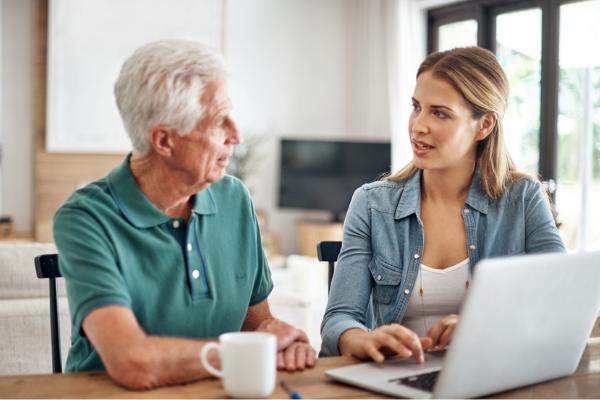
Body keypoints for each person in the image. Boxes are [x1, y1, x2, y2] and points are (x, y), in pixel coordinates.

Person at [53, 40, 315, 390]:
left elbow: (256, 324)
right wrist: (247, 352)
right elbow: (133, 362)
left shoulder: (234, 198)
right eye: (218, 121)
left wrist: (279, 338)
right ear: (164, 141)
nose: (235, 134)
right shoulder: (85, 218)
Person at [320, 46, 566, 363]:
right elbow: (339, 319)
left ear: (485, 125)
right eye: (416, 107)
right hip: (399, 380)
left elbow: (560, 304)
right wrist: (359, 339)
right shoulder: (371, 204)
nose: (418, 125)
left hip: (497, 376)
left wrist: (485, 328)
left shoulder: (523, 199)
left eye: (439, 113)